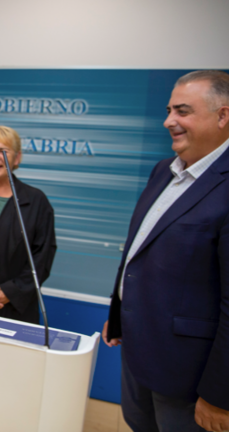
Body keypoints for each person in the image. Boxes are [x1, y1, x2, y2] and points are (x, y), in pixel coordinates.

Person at [102, 70, 229, 432]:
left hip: (190, 374)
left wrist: (221, 394)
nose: (168, 121)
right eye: (169, 110)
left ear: (223, 116)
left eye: (183, 111)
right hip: (139, 350)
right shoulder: (163, 171)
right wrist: (122, 312)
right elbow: (139, 252)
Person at [0, 126, 56, 324]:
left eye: (3, 151)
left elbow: (43, 256)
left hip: (17, 309)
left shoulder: (36, 201)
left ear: (17, 158)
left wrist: (11, 291)